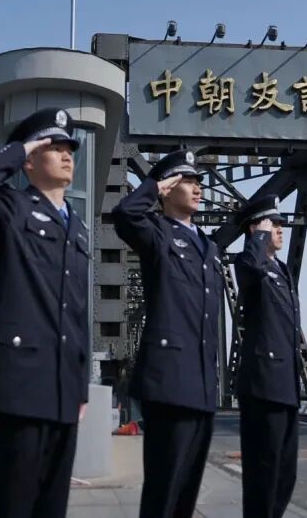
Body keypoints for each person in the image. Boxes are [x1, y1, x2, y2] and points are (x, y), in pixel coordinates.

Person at [0, 107, 91, 518]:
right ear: (30, 160)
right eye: (53, 147)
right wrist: (20, 149)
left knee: (52, 507)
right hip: (19, 385)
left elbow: (77, 310)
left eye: (69, 149)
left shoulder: (77, 228)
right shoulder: (12, 208)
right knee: (10, 504)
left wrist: (80, 384)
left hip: (63, 389)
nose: (66, 155)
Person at [112, 150, 222, 518]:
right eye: (187, 181)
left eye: (198, 181)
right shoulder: (157, 233)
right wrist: (154, 186)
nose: (197, 188)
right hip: (170, 381)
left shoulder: (209, 247)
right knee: (164, 489)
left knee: (186, 494)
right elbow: (125, 215)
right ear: (168, 188)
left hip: (202, 385)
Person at [233, 194, 302, 518]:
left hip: (286, 385)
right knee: (263, 474)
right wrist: (257, 238)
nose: (280, 228)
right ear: (255, 228)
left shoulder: (281, 270)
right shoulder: (249, 264)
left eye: (279, 223)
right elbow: (250, 267)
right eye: (272, 223)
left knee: (285, 474)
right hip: (263, 385)